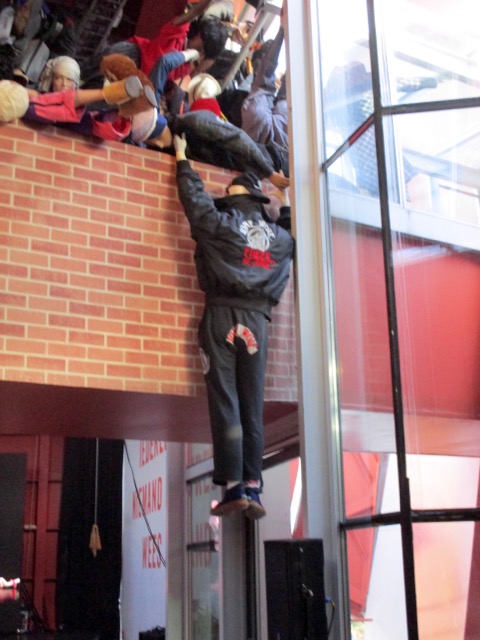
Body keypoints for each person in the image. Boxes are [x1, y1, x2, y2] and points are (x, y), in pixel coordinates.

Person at [173, 132, 295, 519]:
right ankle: (253, 486)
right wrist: (285, 199)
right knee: (251, 404)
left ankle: (234, 486)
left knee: (226, 400)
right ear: (258, 200)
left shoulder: (222, 223)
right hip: (258, 324)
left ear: (234, 197)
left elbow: (195, 204)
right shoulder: (278, 238)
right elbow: (291, 234)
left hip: (222, 315)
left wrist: (182, 160)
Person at [81, 0, 230, 89]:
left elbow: (202, 67)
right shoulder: (177, 35)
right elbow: (194, 12)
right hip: (132, 54)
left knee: (98, 94)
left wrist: (211, 51)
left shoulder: (183, 68)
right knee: (90, 72)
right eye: (201, 43)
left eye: (203, 50)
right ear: (199, 35)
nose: (199, 49)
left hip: (136, 81)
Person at [17, 55, 145, 141]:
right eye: (58, 78)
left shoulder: (80, 109)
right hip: (41, 118)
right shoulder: (37, 97)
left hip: (69, 129)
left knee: (99, 120)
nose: (64, 84)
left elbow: (97, 123)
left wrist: (122, 112)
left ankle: (123, 104)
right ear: (51, 79)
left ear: (76, 82)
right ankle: (113, 93)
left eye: (69, 79)